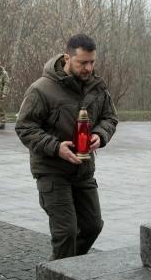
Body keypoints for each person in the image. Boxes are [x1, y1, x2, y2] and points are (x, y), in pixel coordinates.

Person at [16, 34, 118, 260]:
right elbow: (24, 127)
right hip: (52, 172)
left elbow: (110, 118)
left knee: (92, 227)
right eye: (82, 62)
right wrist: (55, 146)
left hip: (83, 170)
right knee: (66, 233)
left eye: (92, 62)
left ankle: (65, 269)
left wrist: (100, 136)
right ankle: (60, 273)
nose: (88, 68)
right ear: (67, 58)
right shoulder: (42, 89)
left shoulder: (97, 88)